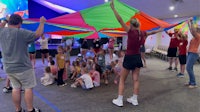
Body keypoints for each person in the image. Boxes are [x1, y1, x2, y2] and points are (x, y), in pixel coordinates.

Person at [110, 0, 163, 107]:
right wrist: (160, 30)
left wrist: (113, 8)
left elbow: (120, 20)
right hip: (137, 57)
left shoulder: (130, 31)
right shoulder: (142, 33)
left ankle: (119, 100)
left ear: (131, 25)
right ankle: (134, 99)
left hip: (129, 57)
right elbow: (152, 32)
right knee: (136, 79)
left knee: (122, 79)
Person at [0, 14, 45, 112]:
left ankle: (18, 109)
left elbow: (1, 25)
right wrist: (42, 23)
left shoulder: (1, 32)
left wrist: (5, 20)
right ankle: (30, 109)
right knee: (28, 88)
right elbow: (37, 34)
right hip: (23, 67)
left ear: (10, 22)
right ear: (19, 23)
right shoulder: (21, 33)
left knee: (16, 88)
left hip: (9, 68)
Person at [185, 19, 200, 88]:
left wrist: (191, 22)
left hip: (194, 53)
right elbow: (192, 31)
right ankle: (191, 82)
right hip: (191, 53)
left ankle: (193, 83)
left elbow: (193, 31)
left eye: (197, 29)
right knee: (190, 68)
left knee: (188, 68)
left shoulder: (198, 36)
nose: (195, 30)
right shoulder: (195, 37)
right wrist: (188, 23)